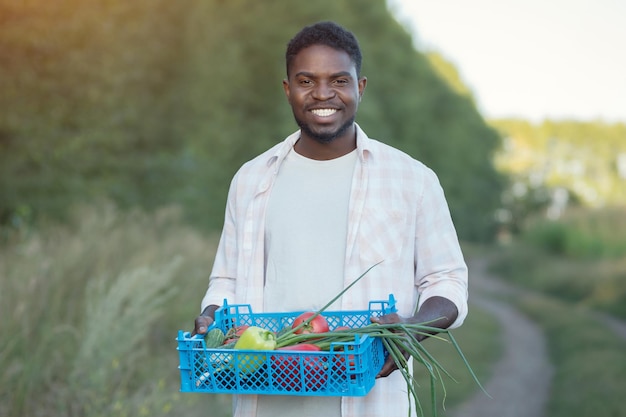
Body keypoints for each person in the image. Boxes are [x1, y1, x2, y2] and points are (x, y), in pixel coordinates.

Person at [193, 21, 468, 417]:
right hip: (266, 399)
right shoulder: (251, 179)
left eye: (338, 80)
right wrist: (213, 316)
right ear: (288, 90)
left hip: (371, 402)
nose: (323, 94)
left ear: (361, 87)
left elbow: (447, 280)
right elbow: (227, 281)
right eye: (306, 80)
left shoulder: (413, 179)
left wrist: (412, 327)